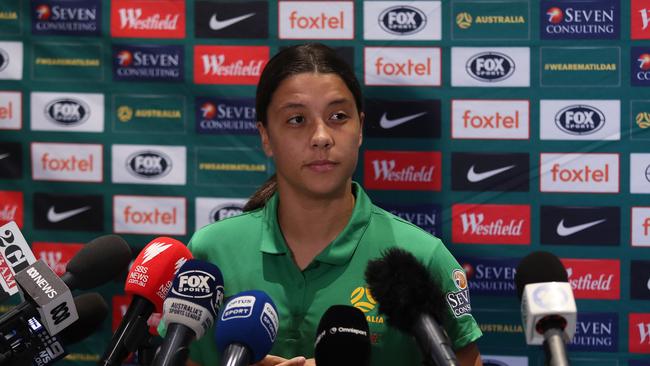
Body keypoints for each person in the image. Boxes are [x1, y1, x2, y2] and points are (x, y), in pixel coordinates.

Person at [185, 43, 483, 366]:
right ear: (266, 136)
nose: (322, 136)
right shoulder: (211, 253)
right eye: (297, 119)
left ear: (359, 130)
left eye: (338, 116)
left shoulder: (422, 259)